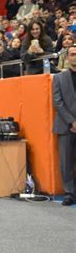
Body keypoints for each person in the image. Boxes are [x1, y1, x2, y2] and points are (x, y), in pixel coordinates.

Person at [52, 44, 76, 206]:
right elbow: (57, 102)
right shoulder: (59, 78)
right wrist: (72, 121)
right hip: (65, 125)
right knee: (66, 162)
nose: (75, 57)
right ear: (67, 57)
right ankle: (69, 193)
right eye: (73, 54)